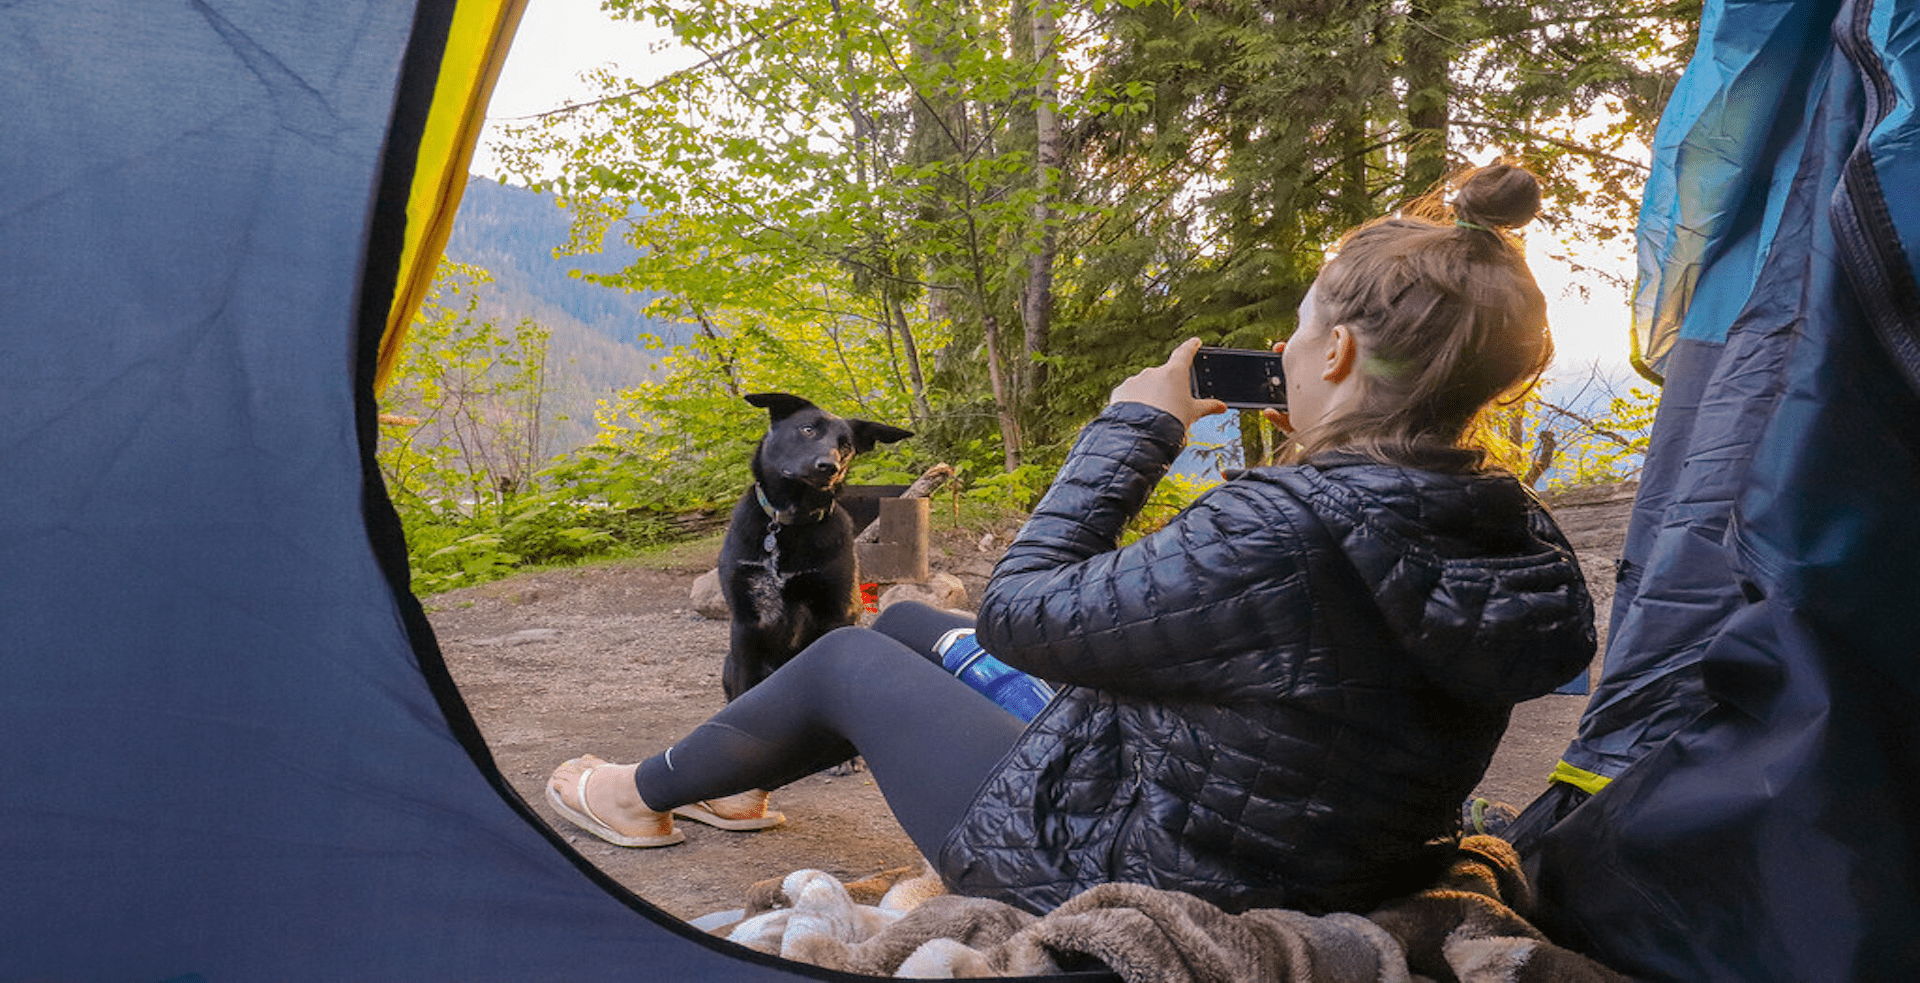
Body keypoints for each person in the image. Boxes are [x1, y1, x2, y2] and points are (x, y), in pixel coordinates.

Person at [546, 162, 1597, 916]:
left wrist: (1136, 427)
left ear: (1335, 356)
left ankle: (634, 798)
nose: (1281, 348)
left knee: (849, 657)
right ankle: (730, 781)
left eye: (1302, 330)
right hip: (1329, 848)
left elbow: (1019, 613)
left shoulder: (1286, 524)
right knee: (910, 616)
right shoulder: (1504, 524)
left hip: (1139, 864)